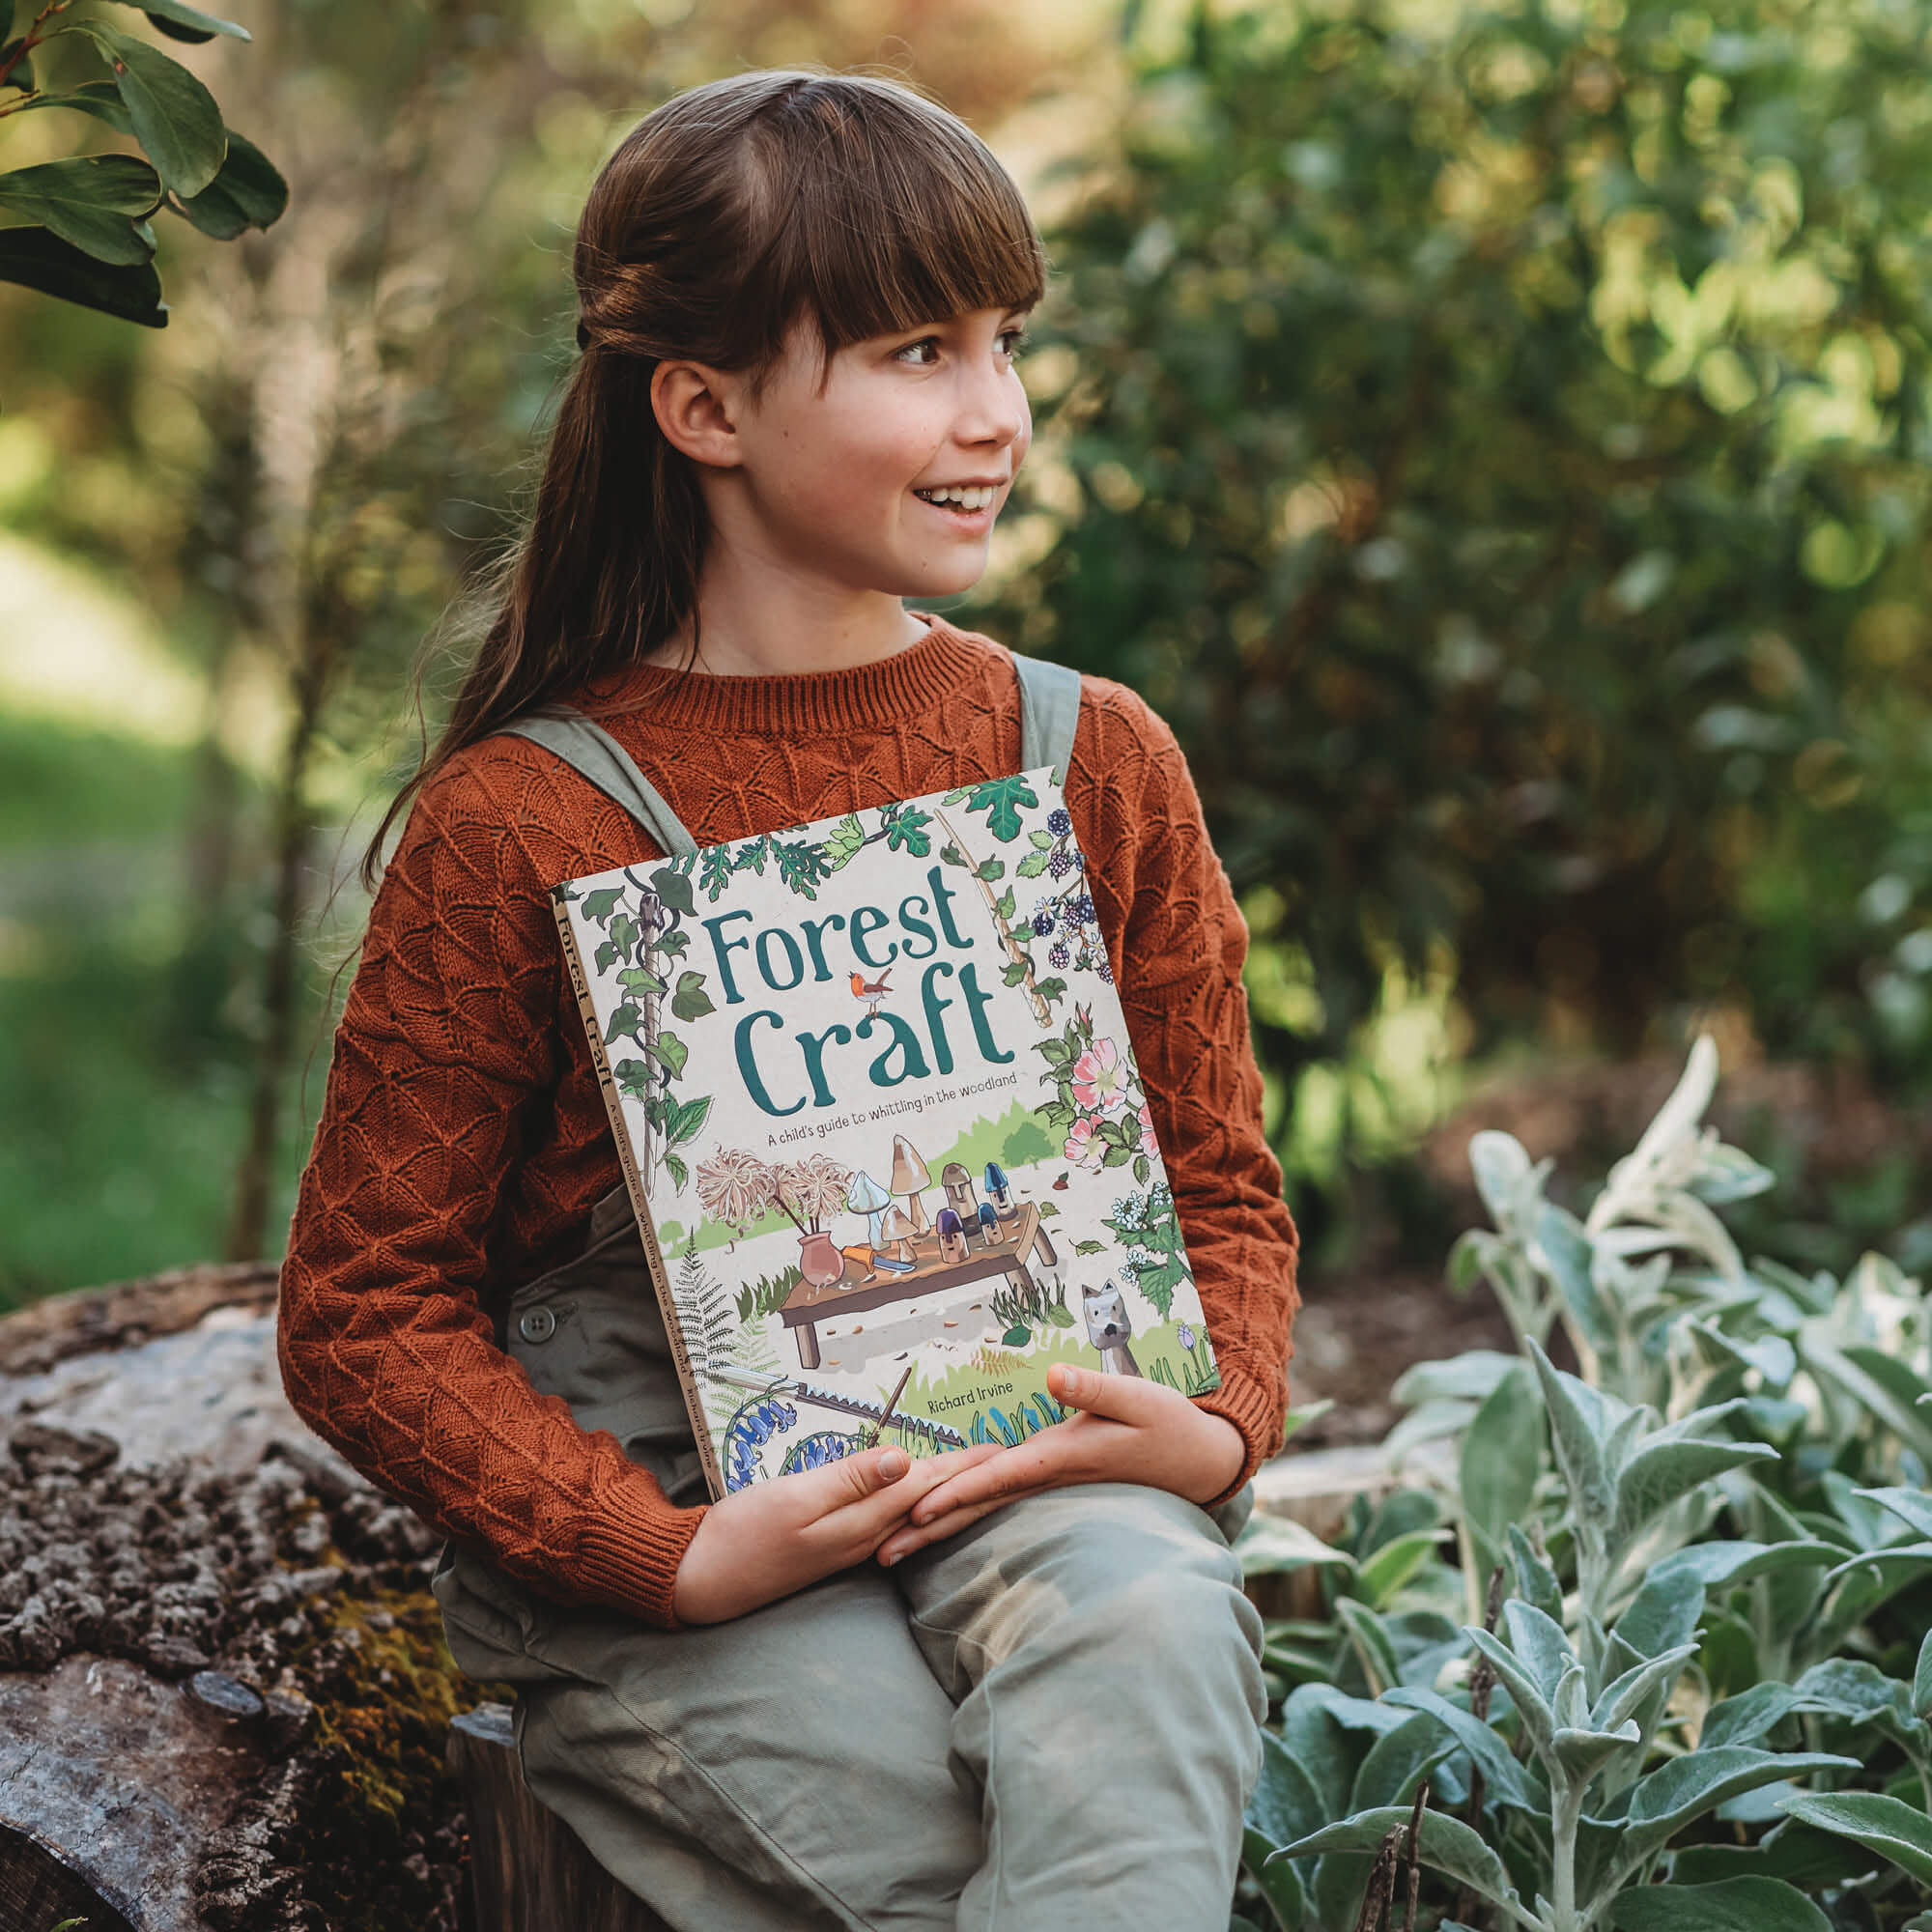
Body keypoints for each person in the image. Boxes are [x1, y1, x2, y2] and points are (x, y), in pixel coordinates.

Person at [277, 68, 1300, 1932]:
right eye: (918, 348)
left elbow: (1215, 1179)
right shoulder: (522, 820)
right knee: (920, 1838)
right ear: (704, 405)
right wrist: (651, 1557)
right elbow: (363, 1309)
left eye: (1005, 341)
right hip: (681, 1522)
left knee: (1151, 1640)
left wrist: (1216, 1420)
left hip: (1034, 1446)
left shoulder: (1092, 757)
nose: (994, 412)